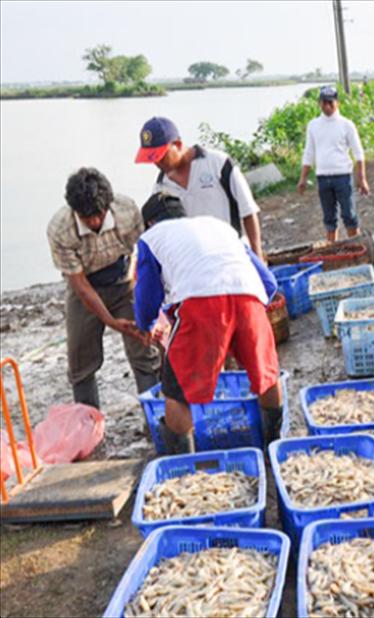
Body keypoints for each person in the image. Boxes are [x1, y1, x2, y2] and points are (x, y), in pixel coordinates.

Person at [134, 193, 283, 454]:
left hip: (201, 305)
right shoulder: (219, 227)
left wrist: (146, 323)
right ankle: (272, 447)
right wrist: (246, 315)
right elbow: (269, 283)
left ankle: (184, 463)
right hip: (248, 296)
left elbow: (147, 295)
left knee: (177, 391)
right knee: (267, 375)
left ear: (150, 223)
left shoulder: (151, 238)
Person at [46, 168, 161, 410]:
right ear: (75, 211)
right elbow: (80, 284)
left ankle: (156, 418)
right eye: (86, 218)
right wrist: (110, 321)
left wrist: (146, 301)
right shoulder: (60, 229)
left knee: (144, 349)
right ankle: (89, 421)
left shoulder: (126, 211)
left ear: (108, 206)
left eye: (99, 215)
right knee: (81, 362)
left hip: (124, 280)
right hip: (85, 286)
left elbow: (144, 257)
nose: (95, 222)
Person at [135, 116, 265, 259]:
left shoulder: (218, 164)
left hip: (233, 252)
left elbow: (248, 212)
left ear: (177, 144)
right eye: (152, 158)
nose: (157, 163)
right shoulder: (161, 187)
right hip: (198, 259)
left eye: (161, 156)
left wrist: (257, 255)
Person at [297, 85, 372, 241]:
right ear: (319, 103)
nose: (327, 106)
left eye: (330, 102)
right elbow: (309, 153)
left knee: (349, 215)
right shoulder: (313, 125)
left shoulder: (347, 125)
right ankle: (333, 249)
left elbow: (358, 153)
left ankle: (356, 247)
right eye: (324, 102)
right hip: (323, 178)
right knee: (329, 219)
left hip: (342, 176)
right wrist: (303, 178)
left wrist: (362, 179)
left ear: (337, 103)